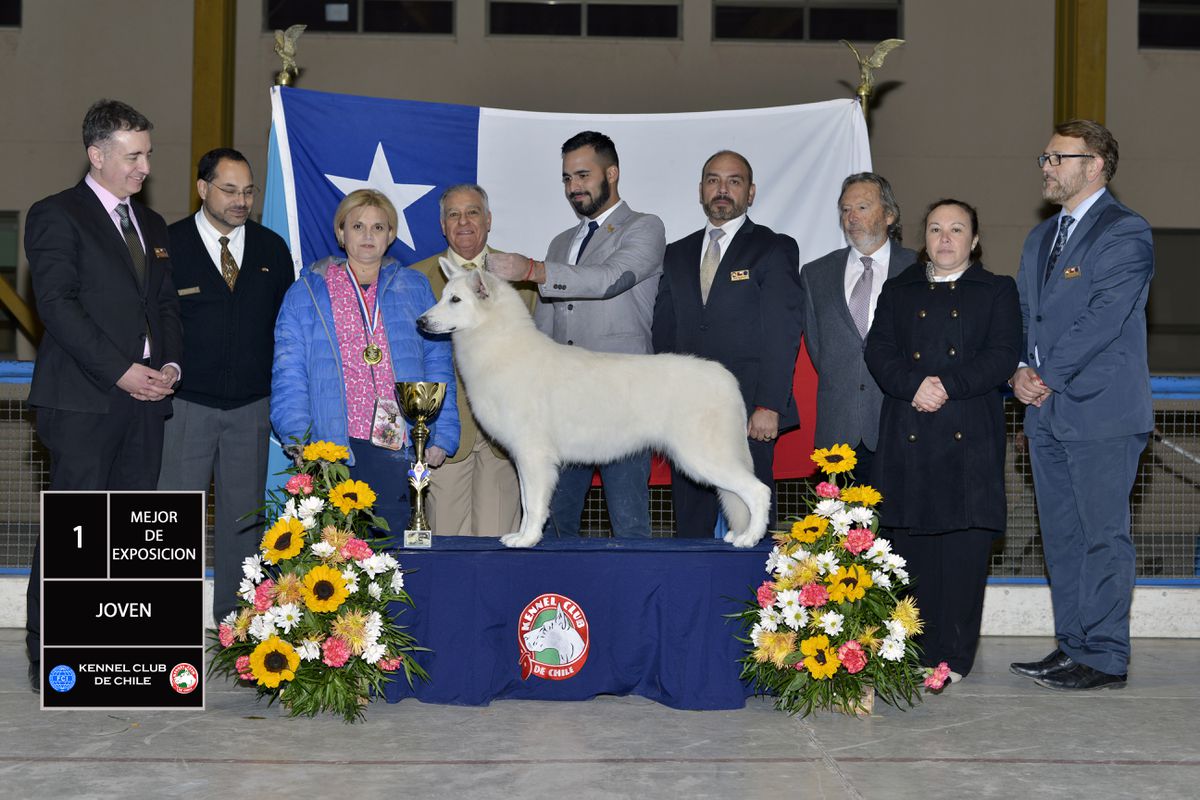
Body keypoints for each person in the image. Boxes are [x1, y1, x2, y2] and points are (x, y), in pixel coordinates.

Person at [24, 99, 183, 692]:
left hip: (146, 399)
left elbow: (165, 307)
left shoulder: (156, 226)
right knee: (77, 530)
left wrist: (167, 364)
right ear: (97, 155)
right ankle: (55, 660)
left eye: (147, 154)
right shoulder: (55, 215)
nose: (144, 167)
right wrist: (122, 370)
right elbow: (57, 305)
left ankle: (116, 656)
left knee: (131, 533)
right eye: (133, 155)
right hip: (86, 400)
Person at [1008, 120, 1154, 691]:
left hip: (1102, 412)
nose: (1046, 167)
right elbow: (1025, 314)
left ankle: (1106, 656)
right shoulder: (1041, 238)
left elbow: (1102, 318)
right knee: (1061, 536)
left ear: (1095, 164)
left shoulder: (1126, 232)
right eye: (1044, 158)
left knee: (1102, 536)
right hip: (1045, 410)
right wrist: (1018, 369)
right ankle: (1072, 645)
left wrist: (1042, 373)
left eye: (1057, 158)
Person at [864, 199, 1020, 683]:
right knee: (911, 553)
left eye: (957, 229)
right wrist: (913, 385)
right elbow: (879, 349)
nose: (945, 238)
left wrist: (947, 386)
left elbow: (1002, 354)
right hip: (907, 435)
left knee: (962, 556)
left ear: (974, 240)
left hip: (968, 437)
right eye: (935, 229)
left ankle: (953, 656)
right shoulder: (898, 289)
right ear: (923, 238)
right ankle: (910, 651)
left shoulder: (997, 290)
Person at [487, 131, 665, 538]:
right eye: (567, 178)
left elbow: (608, 281)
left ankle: (637, 600)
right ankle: (554, 599)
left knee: (629, 521)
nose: (573, 187)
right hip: (560, 403)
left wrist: (533, 270)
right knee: (553, 519)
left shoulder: (645, 227)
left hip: (623, 400)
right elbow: (545, 324)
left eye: (583, 175)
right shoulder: (561, 241)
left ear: (613, 173)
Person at [157, 148, 294, 624]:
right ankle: (163, 621)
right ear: (202, 189)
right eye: (229, 190)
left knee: (243, 523)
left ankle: (237, 626)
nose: (241, 200)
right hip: (184, 408)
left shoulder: (272, 249)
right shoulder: (166, 246)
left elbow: (286, 330)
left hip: (251, 410)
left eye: (248, 191)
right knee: (172, 520)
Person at [271, 189, 458, 533]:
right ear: (341, 233)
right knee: (337, 555)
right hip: (332, 441)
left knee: (395, 550)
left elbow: (438, 359)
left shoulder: (414, 287)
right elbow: (289, 369)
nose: (368, 235)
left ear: (391, 235)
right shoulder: (308, 290)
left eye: (378, 227)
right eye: (357, 226)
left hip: (398, 439)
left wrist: (443, 432)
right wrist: (296, 435)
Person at [652, 150, 801, 536]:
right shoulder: (675, 253)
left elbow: (783, 332)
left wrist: (770, 405)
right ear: (701, 190)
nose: (722, 189)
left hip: (750, 410)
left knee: (750, 522)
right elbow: (663, 333)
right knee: (689, 525)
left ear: (750, 193)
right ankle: (691, 595)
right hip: (685, 412)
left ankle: (754, 596)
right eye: (713, 180)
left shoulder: (774, 247)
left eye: (734, 181)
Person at [411, 184, 536, 535]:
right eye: (453, 214)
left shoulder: (519, 276)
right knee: (448, 543)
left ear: (489, 220)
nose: (463, 221)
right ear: (442, 225)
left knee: (499, 546)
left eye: (472, 212)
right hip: (445, 437)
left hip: (504, 438)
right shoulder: (416, 278)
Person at [799, 173, 918, 481]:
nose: (851, 217)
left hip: (902, 427)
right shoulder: (816, 274)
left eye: (862, 207)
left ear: (890, 215)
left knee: (895, 528)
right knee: (840, 527)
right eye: (845, 209)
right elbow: (818, 348)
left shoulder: (919, 271)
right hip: (838, 431)